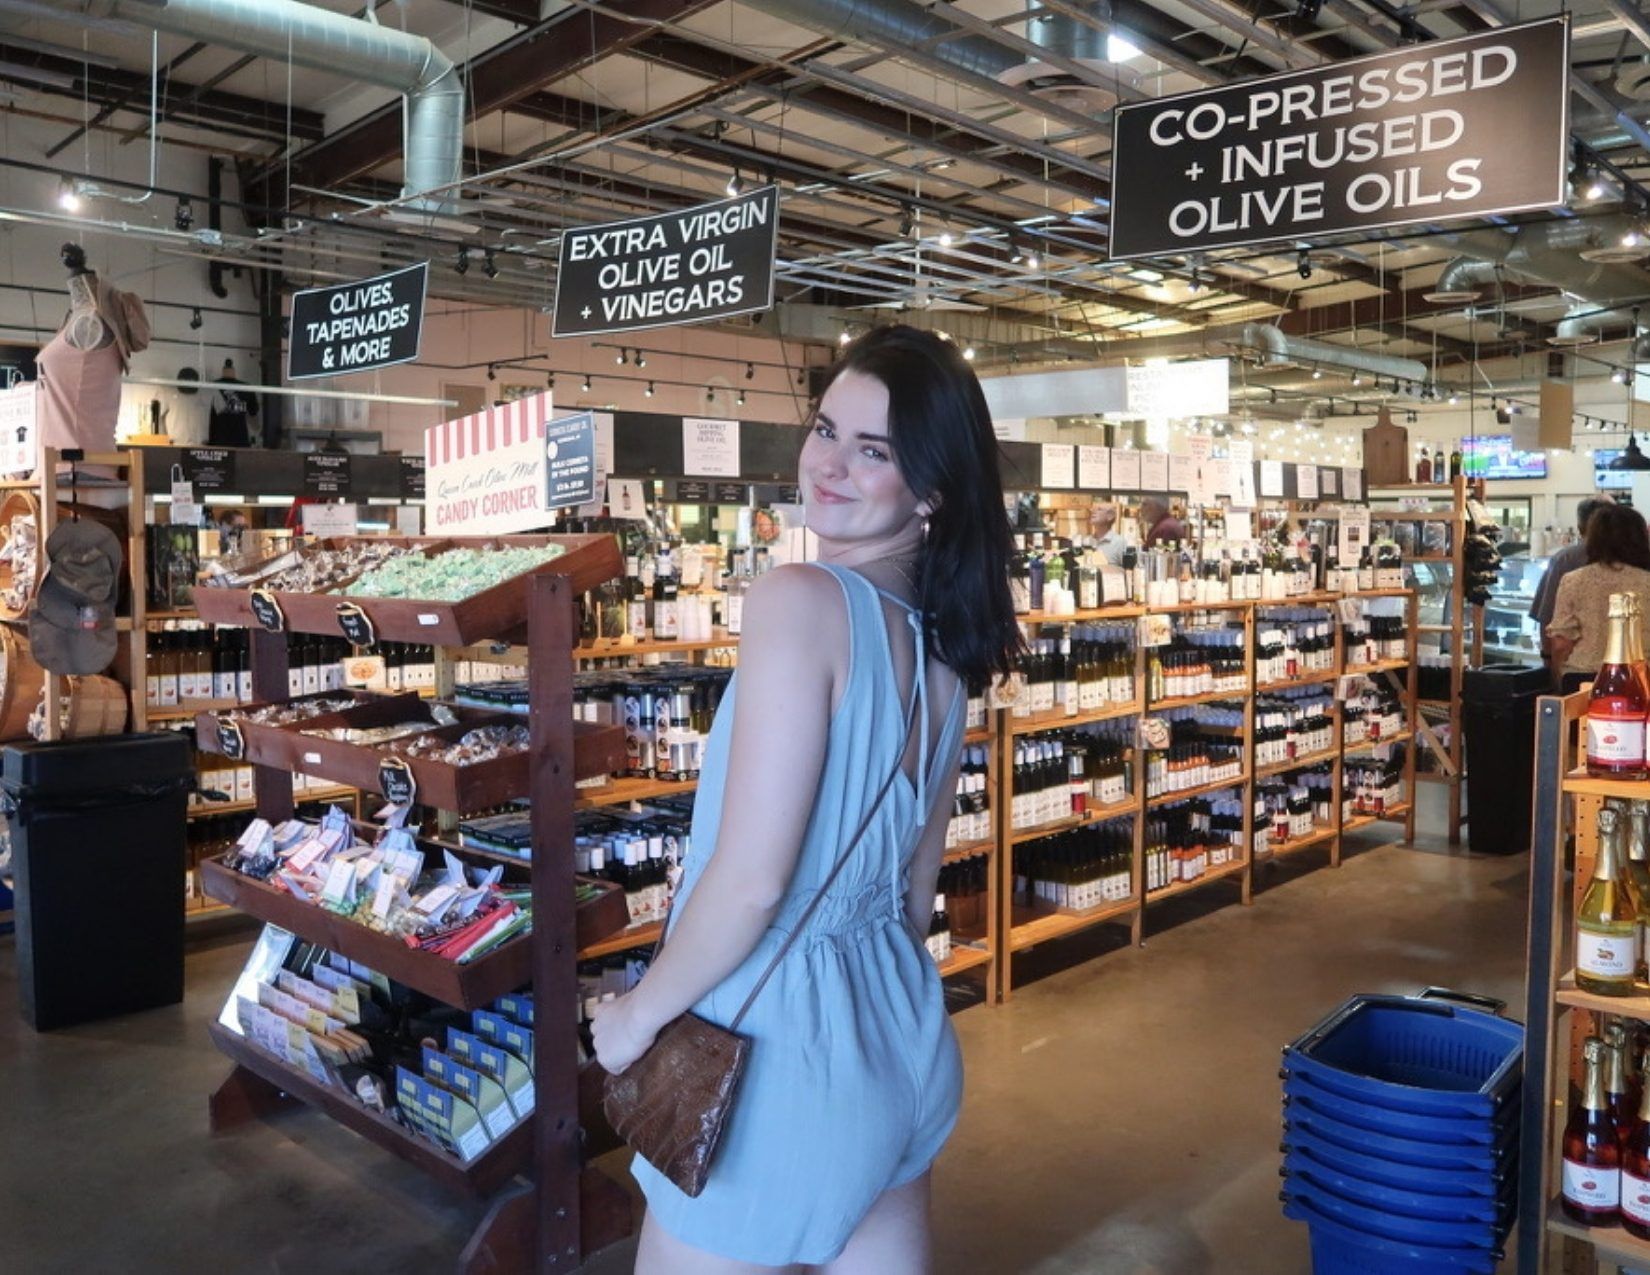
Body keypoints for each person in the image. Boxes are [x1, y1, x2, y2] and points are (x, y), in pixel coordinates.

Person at [591, 325, 1022, 1273]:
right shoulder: (950, 656)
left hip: (777, 1060)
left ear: (932, 490)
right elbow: (914, 900)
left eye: (875, 450)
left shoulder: (800, 599)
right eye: (828, 429)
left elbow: (749, 883)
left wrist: (632, 1018)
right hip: (899, 1043)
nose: (827, 463)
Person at [1546, 503, 1650, 692]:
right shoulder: (1646, 582)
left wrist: (1558, 676)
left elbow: (1561, 643)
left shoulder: (1573, 581)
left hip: (1582, 680)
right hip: (1640, 680)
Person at [1531, 496, 1612, 643]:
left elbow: (1547, 616)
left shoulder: (1564, 560)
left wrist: (1548, 657)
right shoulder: (1633, 557)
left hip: (1574, 654)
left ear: (1580, 527)